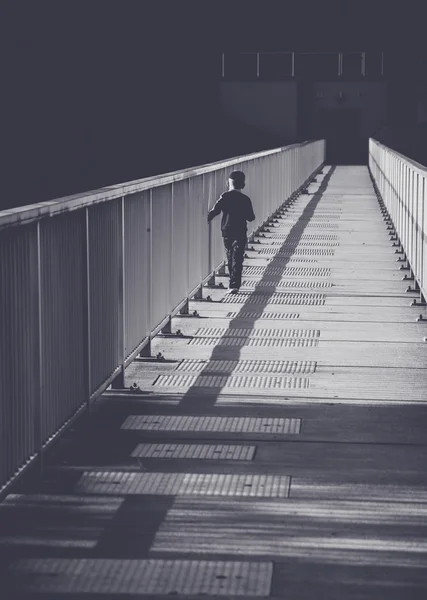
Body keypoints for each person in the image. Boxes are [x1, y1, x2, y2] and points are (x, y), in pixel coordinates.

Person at [207, 170, 255, 293]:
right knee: (237, 258)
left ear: (228, 184)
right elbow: (251, 217)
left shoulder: (225, 197)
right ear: (243, 185)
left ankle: (232, 283)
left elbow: (215, 211)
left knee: (230, 256)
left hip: (227, 231)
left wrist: (207, 217)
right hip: (240, 231)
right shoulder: (246, 199)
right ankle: (234, 284)